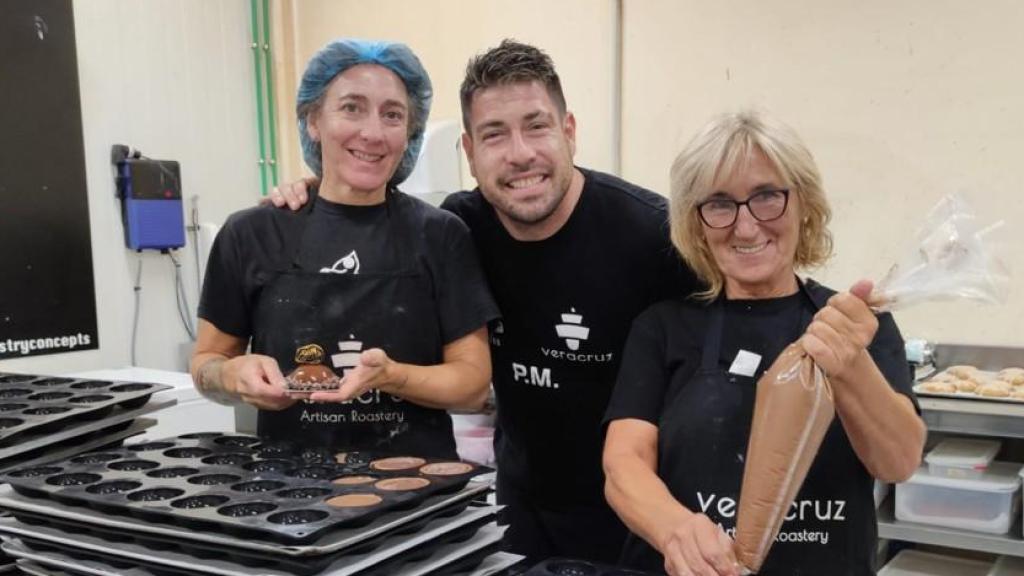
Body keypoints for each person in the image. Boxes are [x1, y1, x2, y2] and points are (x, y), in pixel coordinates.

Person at [270, 40, 699, 563]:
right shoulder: (460, 228)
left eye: (537, 126)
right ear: (470, 154)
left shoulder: (653, 235)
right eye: (494, 135)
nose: (519, 153)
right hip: (520, 505)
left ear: (569, 132)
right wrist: (324, 188)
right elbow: (378, 217)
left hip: (639, 516)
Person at [602, 110, 926, 576]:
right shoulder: (663, 328)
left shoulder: (854, 325)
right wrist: (674, 529)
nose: (746, 226)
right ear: (697, 224)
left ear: (804, 204)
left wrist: (851, 365)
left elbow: (897, 461)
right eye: (719, 204)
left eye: (767, 196)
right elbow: (623, 464)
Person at [190, 39, 499, 458]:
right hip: (290, 496)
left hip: (417, 495)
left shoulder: (442, 235)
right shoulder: (251, 234)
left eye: (392, 115)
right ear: (313, 120)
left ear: (410, 133)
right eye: (351, 107)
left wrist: (392, 377)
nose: (371, 133)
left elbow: (473, 384)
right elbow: (205, 363)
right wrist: (230, 373)